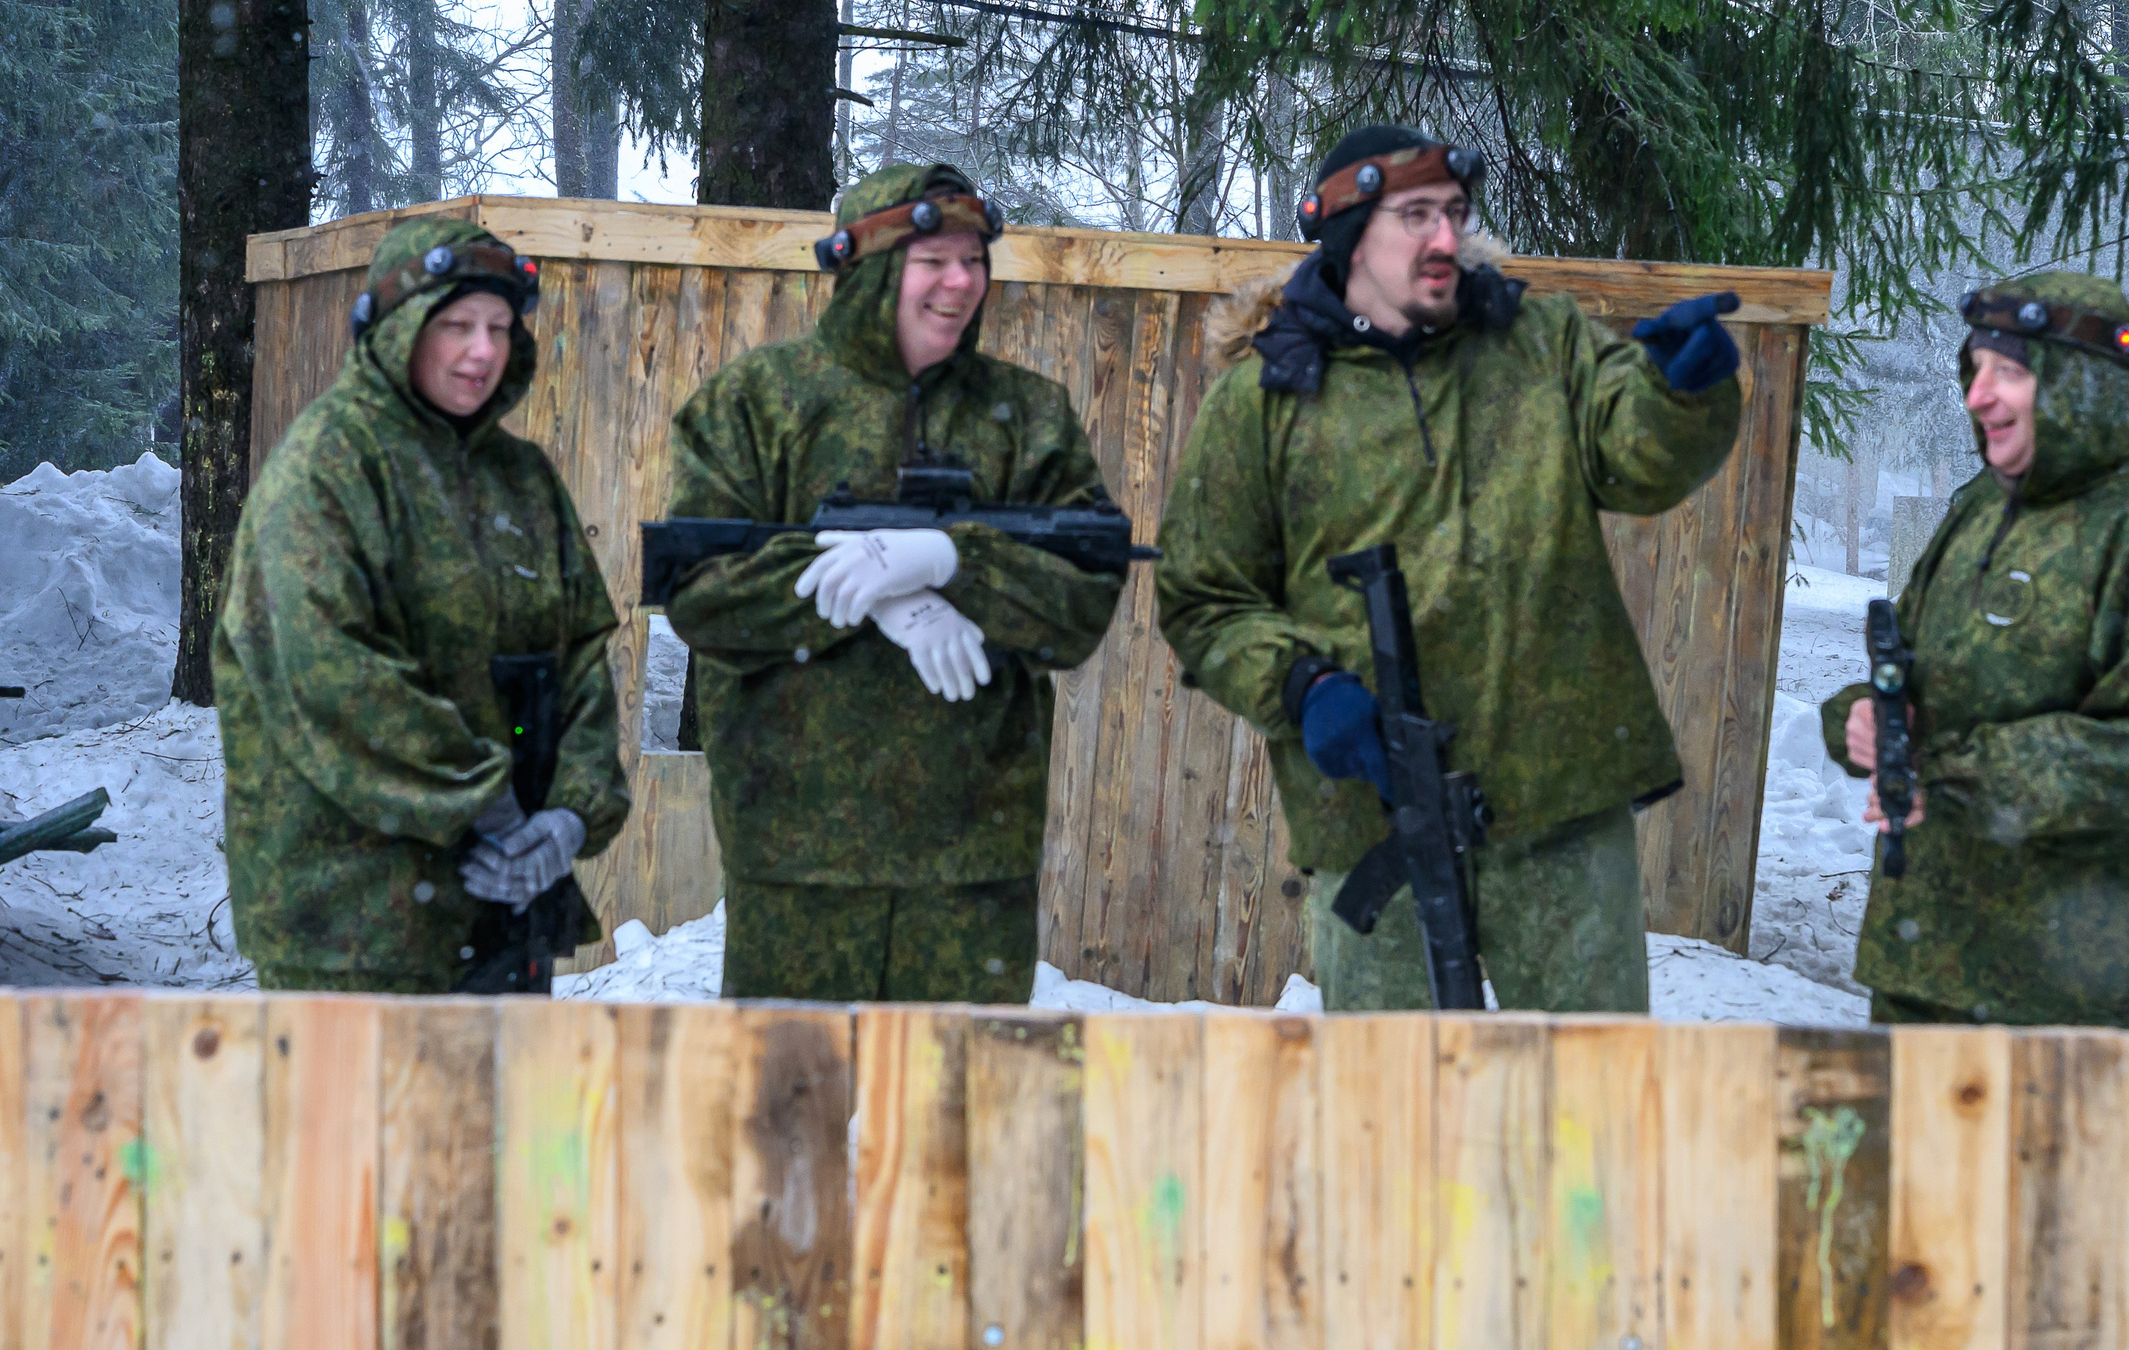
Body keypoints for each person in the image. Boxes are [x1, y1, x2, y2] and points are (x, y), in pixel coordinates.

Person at [1154, 125, 1746, 1011]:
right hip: (1370, 815)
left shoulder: (1538, 342)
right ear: (1350, 232)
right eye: (1417, 215)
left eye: (1457, 214)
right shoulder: (1265, 399)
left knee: (1589, 1098)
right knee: (1396, 1119)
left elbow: (1639, 459)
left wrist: (1684, 394)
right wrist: (1303, 687)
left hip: (1559, 805)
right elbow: (1201, 597)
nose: (1447, 238)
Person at [661, 162, 1125, 1003]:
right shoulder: (758, 404)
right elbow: (700, 588)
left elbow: (1083, 601)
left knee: (953, 1121)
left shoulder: (1029, 417)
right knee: (793, 1117)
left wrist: (959, 561)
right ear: (870, 264)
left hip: (972, 861)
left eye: (975, 259)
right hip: (795, 858)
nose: (961, 281)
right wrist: (875, 591)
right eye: (933, 259)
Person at [217, 218, 630, 993]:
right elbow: (329, 674)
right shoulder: (326, 467)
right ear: (400, 327)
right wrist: (489, 806)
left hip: (505, 910)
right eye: (456, 325)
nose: (483, 350)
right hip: (355, 922)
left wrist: (568, 817)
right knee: (362, 1119)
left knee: (498, 1117)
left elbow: (580, 662)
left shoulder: (523, 479)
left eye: (501, 327)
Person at [1824, 272, 2129, 1028]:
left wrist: (1959, 773)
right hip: (1922, 959)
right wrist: (1860, 719)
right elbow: (1906, 672)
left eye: (2009, 372)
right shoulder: (1980, 508)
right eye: (1975, 370)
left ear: (2082, 386)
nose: (1979, 396)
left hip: (2067, 989)